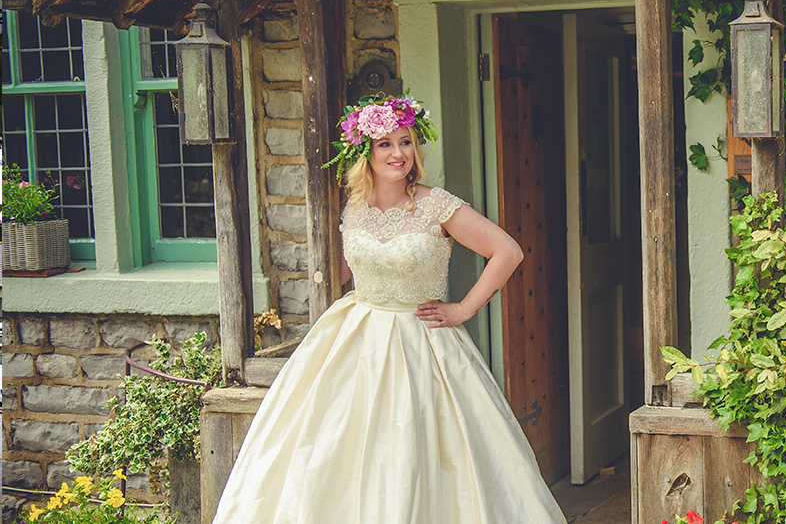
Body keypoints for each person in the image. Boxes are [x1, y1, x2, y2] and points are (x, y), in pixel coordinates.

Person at [211, 93, 566, 523]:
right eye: (385, 144)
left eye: (405, 142)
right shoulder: (353, 208)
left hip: (422, 343)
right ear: (366, 152)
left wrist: (462, 310)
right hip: (354, 338)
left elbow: (507, 252)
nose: (398, 153)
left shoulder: (437, 204)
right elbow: (342, 270)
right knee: (332, 447)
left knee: (417, 451)